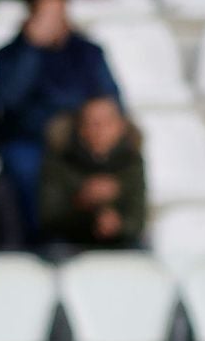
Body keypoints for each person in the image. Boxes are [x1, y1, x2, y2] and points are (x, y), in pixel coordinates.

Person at [0, 0, 118, 220]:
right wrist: (31, 50)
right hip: (31, 140)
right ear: (31, 16)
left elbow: (110, 99)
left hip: (82, 138)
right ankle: (39, 238)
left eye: (57, 13)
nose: (53, 21)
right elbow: (8, 100)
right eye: (45, 14)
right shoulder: (8, 55)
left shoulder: (88, 52)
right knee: (25, 168)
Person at [36, 94, 146, 251]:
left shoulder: (132, 160)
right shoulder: (60, 157)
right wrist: (82, 203)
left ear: (121, 126)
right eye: (93, 123)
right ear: (80, 128)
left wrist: (117, 225)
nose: (100, 130)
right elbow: (49, 218)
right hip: (70, 243)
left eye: (106, 123)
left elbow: (137, 219)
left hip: (120, 242)